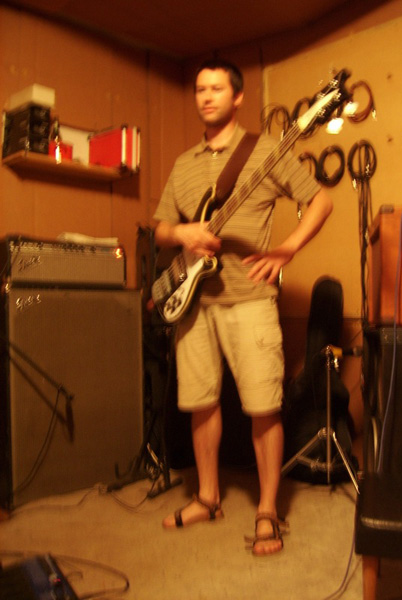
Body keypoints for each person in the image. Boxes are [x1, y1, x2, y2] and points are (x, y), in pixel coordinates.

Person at [152, 58, 333, 556]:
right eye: (199, 89)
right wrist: (183, 232)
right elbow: (160, 228)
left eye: (216, 88)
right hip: (194, 302)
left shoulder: (267, 151)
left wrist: (286, 249)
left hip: (249, 300)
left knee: (262, 407)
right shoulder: (184, 164)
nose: (206, 96)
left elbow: (319, 201)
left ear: (237, 98)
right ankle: (208, 497)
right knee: (201, 402)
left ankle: (268, 509)